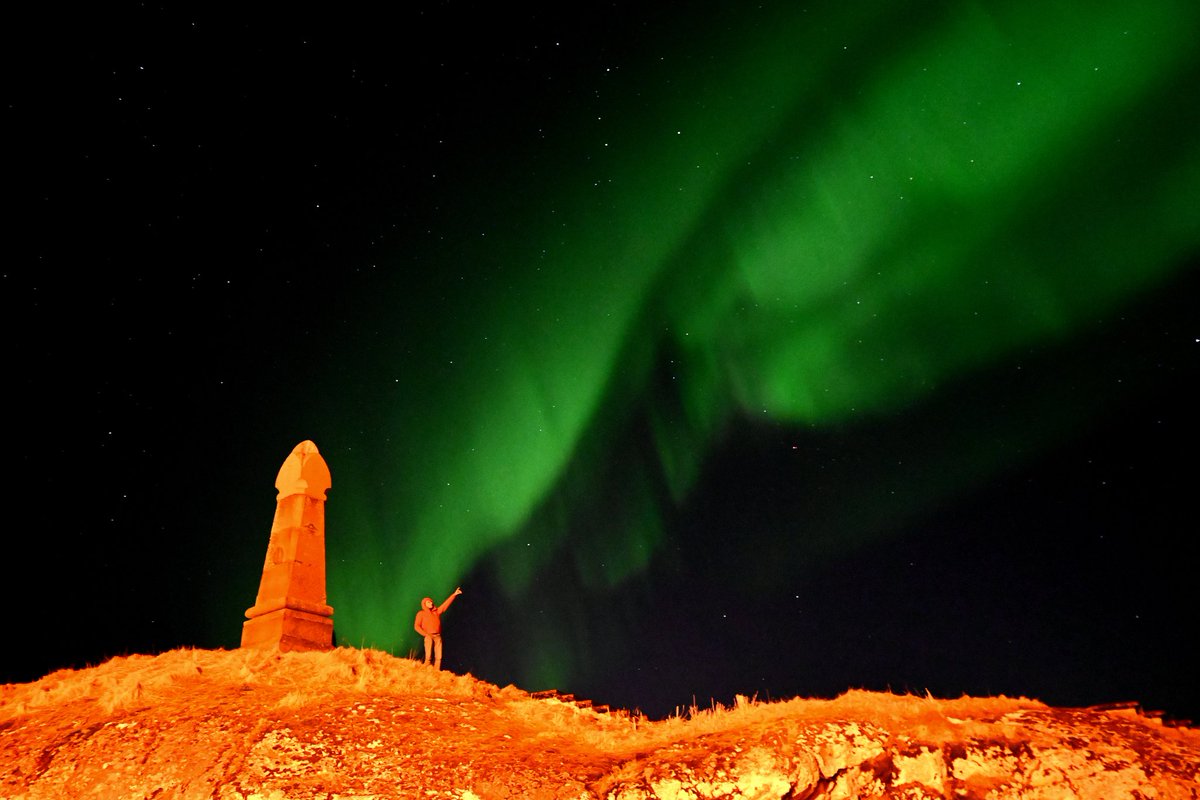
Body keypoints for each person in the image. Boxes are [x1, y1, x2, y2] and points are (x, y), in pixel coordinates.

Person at [413, 587, 463, 669]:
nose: (431, 603)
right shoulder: (421, 614)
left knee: (438, 656)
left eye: (431, 602)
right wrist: (425, 634)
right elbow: (416, 626)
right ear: (424, 604)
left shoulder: (436, 612)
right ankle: (425, 669)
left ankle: (437, 670)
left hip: (438, 636)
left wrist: (454, 595)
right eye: (428, 602)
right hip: (428, 635)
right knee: (428, 655)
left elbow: (444, 605)